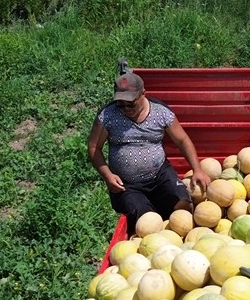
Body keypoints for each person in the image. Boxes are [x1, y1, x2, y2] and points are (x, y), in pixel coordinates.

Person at [88, 70, 211, 233]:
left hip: (160, 175)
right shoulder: (108, 115)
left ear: (143, 94)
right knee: (146, 223)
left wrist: (197, 169)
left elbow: (182, 140)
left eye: (130, 103)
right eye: (121, 104)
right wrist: (107, 175)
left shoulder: (161, 112)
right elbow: (94, 147)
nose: (125, 108)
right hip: (127, 185)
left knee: (183, 205)